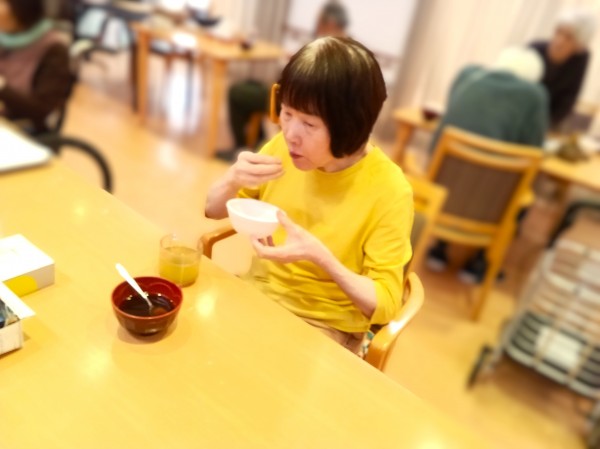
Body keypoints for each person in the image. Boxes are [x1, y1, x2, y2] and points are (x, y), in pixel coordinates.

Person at [205, 37, 413, 354]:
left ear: (350, 126)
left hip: (325, 326)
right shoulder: (283, 148)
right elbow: (212, 209)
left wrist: (321, 257)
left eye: (308, 123)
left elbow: (385, 303)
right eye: (286, 113)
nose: (290, 134)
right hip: (257, 294)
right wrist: (232, 179)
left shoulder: (390, 190)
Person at [427, 47, 548, 284]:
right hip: (489, 205)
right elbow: (534, 150)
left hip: (442, 191)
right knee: (524, 190)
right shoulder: (535, 96)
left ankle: (439, 247)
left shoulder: (468, 75)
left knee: (461, 173)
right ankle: (479, 262)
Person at [217, 0, 349, 162]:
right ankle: (258, 142)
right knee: (252, 86)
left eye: (319, 21)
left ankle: (243, 147)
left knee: (238, 93)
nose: (317, 24)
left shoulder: (327, 46)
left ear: (330, 23)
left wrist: (293, 62)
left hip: (295, 99)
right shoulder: (347, 47)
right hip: (296, 97)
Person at [0, 0, 72, 134]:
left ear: (22, 7)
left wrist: (3, 88)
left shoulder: (53, 49)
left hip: (21, 130)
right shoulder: (4, 36)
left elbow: (42, 110)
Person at [530, 9, 596, 129]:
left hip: (546, 123)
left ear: (579, 45)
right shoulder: (534, 49)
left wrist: (547, 126)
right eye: (558, 32)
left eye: (569, 37)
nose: (559, 40)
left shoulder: (580, 58)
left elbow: (569, 97)